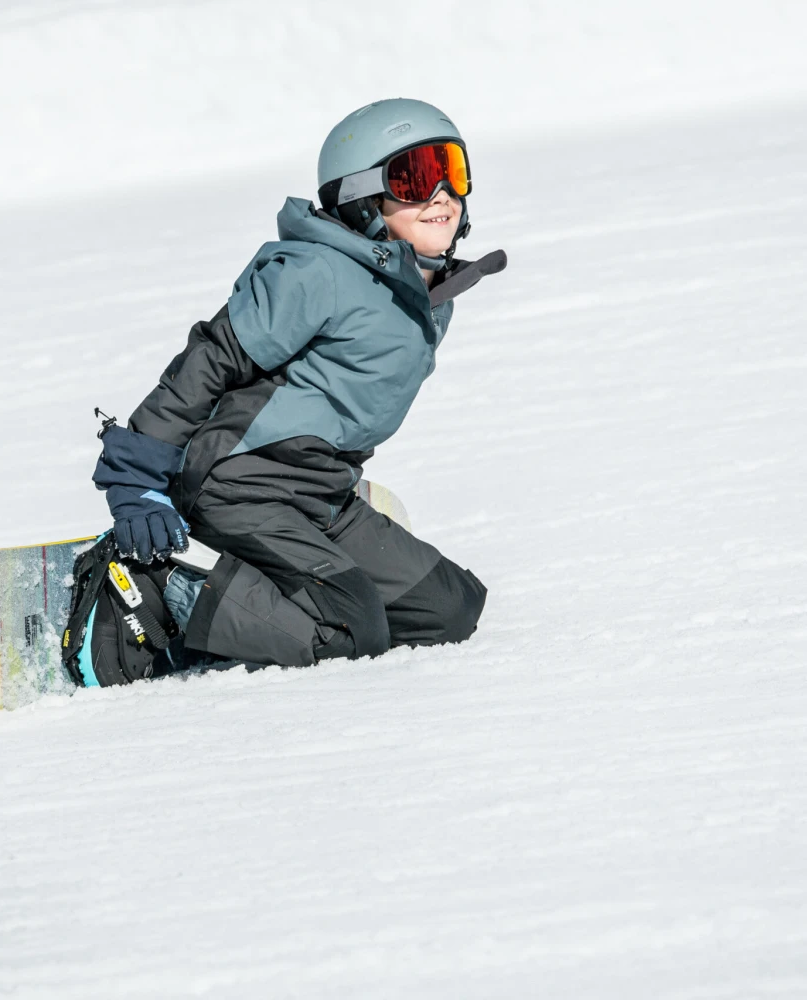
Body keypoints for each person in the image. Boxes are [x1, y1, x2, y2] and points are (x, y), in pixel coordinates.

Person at [78, 98, 507, 680]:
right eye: (413, 177)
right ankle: (158, 580)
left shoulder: (424, 294)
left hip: (320, 493)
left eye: (451, 171)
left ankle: (261, 598)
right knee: (350, 631)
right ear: (361, 198)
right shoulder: (316, 272)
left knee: (449, 611)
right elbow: (211, 359)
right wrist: (135, 480)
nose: (441, 195)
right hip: (239, 486)